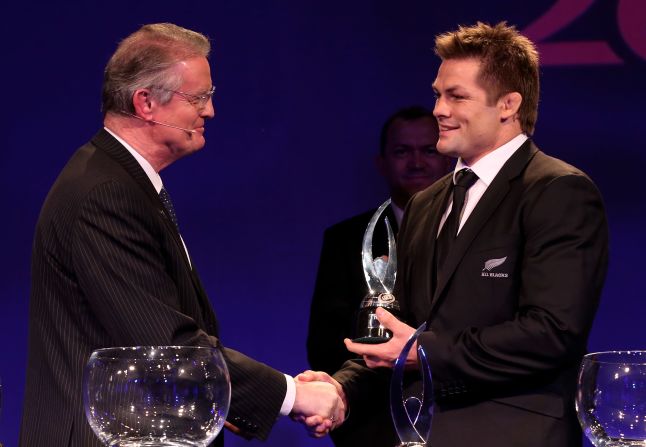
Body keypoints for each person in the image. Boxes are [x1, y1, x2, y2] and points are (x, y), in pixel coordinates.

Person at [20, 23, 343, 447]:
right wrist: (295, 396)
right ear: (146, 102)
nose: (209, 111)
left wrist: (215, 397)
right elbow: (169, 349)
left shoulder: (117, 179)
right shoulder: (106, 194)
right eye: (200, 97)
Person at [305, 21, 609, 446]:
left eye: (456, 96)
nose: (439, 110)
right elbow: (403, 329)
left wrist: (424, 351)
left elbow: (550, 333)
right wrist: (340, 389)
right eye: (438, 93)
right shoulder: (427, 203)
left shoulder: (557, 191)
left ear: (508, 104)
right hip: (421, 433)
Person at [306, 106, 450, 446]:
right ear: (381, 163)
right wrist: (340, 395)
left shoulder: (473, 233)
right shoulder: (346, 239)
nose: (416, 162)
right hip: (372, 426)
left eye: (428, 150)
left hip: (459, 418)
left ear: (448, 157)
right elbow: (326, 343)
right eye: (402, 152)